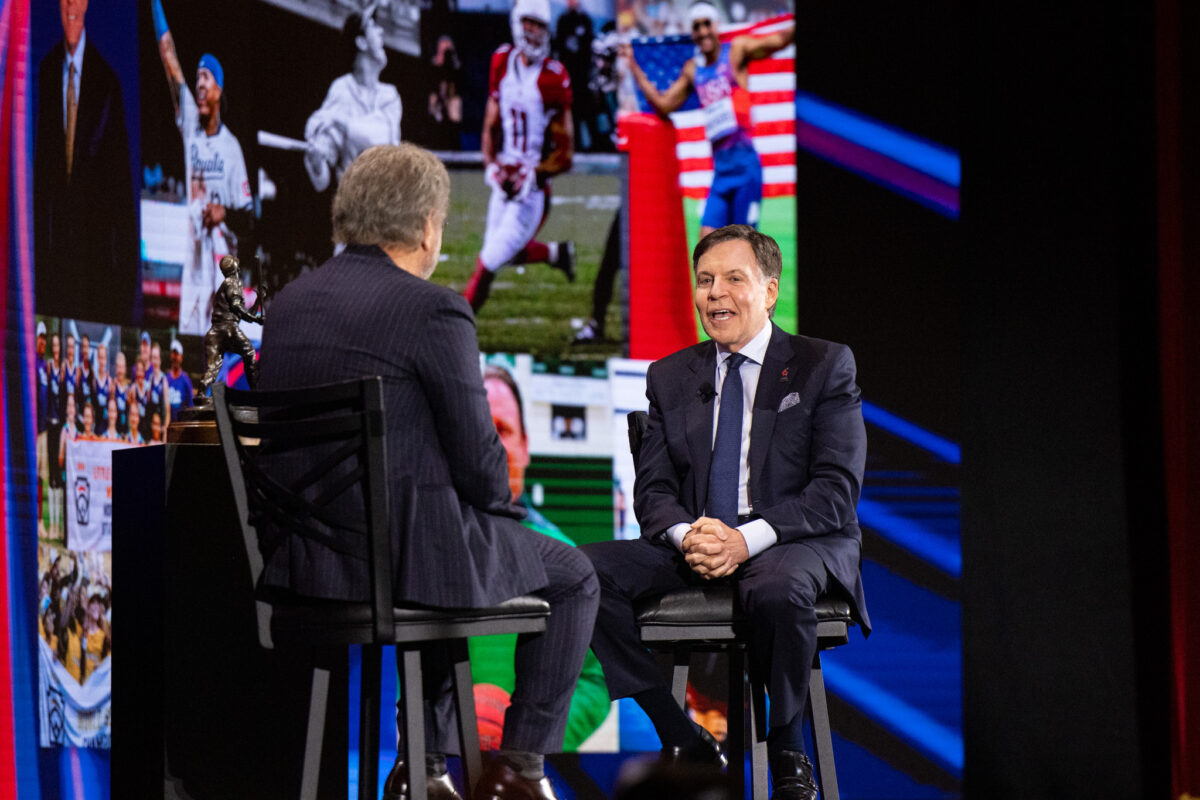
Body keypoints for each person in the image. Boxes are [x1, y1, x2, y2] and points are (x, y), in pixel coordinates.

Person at [257, 144, 598, 800]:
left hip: (303, 569)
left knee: (441, 541)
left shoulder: (288, 305)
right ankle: (517, 774)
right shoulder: (434, 310)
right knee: (573, 576)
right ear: (425, 228)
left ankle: (424, 763)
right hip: (397, 570)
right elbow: (485, 474)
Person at [581, 226, 870, 800]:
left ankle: (787, 750)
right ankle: (678, 731)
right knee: (579, 573)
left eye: (734, 279)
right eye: (705, 280)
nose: (715, 293)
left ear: (769, 291)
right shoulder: (669, 375)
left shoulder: (822, 365)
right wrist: (688, 536)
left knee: (780, 590)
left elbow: (836, 491)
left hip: (790, 541)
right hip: (699, 541)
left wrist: (745, 540)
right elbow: (654, 491)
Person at [473, 365, 610, 751]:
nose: (494, 446)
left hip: (524, 769)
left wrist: (525, 739)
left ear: (525, 447)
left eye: (503, 430)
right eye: (482, 433)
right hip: (445, 764)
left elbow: (596, 684)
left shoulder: (572, 565)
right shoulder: (432, 553)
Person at [621, 3, 793, 236]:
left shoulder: (736, 51)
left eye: (706, 24)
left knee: (744, 245)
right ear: (691, 32)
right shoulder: (693, 70)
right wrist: (633, 67)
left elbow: (779, 40)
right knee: (706, 243)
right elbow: (664, 106)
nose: (702, 31)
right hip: (720, 175)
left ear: (717, 26)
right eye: (696, 26)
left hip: (746, 169)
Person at [462, 0, 577, 313]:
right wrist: (492, 166)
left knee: (488, 262)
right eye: (530, 23)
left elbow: (565, 154)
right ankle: (557, 254)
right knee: (498, 254)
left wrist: (532, 174)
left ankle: (456, 323)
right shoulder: (501, 61)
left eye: (541, 25)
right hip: (504, 182)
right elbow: (490, 126)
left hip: (531, 192)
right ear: (516, 22)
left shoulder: (553, 77)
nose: (535, 31)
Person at [152, 0, 254, 335]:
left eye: (206, 77)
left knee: (220, 347)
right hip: (194, 265)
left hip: (222, 267)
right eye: (197, 77)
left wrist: (224, 213)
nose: (198, 83)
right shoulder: (191, 127)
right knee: (190, 343)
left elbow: (248, 220)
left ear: (218, 88)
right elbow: (169, 58)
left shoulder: (232, 148)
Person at [34, 0, 140, 324]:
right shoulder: (46, 71)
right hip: (54, 271)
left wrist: (124, 281)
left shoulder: (107, 82)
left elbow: (121, 190)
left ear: (87, 4)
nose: (70, 6)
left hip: (96, 273)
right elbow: (41, 179)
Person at [304, 4, 402, 194]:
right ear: (361, 42)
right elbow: (321, 181)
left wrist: (338, 121)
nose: (381, 31)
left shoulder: (390, 96)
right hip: (355, 206)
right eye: (373, 26)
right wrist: (316, 159)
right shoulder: (342, 90)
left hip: (388, 205)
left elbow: (383, 139)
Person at [197, 255, 264, 398]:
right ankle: (256, 392)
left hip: (215, 333)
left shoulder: (226, 286)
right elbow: (238, 308)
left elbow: (244, 314)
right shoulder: (233, 282)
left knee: (213, 368)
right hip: (228, 329)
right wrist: (256, 319)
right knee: (250, 353)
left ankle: (202, 390)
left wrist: (258, 300)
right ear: (235, 268)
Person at [552, 0, 595, 150]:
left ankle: (594, 144)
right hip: (568, 75)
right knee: (571, 111)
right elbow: (558, 47)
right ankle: (573, 144)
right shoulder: (562, 21)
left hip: (583, 76)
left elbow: (589, 48)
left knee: (588, 110)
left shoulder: (585, 20)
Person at [166, 338, 194, 418]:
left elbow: (190, 406)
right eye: (173, 354)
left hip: (181, 423)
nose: (175, 357)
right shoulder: (166, 380)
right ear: (171, 356)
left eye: (177, 354)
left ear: (181, 357)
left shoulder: (186, 381)